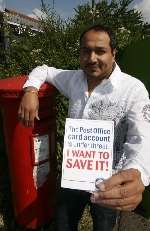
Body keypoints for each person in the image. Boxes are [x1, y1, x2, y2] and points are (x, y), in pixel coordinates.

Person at [18, 24, 150, 231]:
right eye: (86, 51)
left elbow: (141, 137)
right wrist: (31, 90)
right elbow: (44, 70)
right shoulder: (73, 79)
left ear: (114, 53)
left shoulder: (133, 89)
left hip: (109, 181)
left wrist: (138, 171)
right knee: (63, 224)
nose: (92, 58)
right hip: (73, 177)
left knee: (104, 226)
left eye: (100, 51)